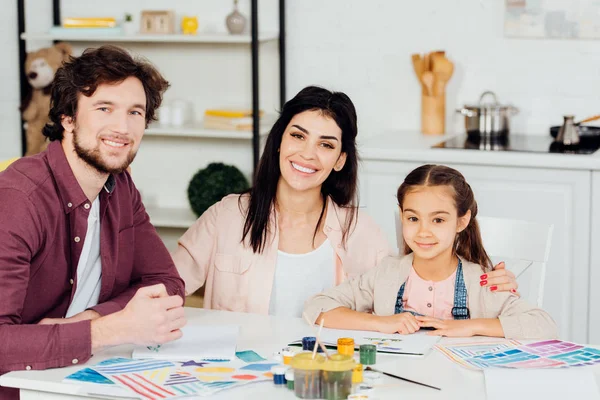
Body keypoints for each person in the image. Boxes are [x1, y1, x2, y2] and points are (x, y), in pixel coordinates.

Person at [174, 87, 518, 317]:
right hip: (240, 375)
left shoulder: (361, 231)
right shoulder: (226, 216)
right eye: (297, 136)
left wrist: (488, 286)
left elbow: (411, 295)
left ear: (340, 159)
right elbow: (166, 284)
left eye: (326, 144)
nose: (307, 154)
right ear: (279, 142)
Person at [0, 45, 186, 398]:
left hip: (75, 381)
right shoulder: (18, 199)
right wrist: (109, 331)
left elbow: (165, 281)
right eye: (104, 108)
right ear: (68, 117)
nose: (123, 126)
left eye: (135, 112)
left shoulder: (120, 187)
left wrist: (89, 322)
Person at [304, 164, 557, 339]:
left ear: (461, 221)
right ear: (402, 217)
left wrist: (471, 327)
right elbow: (317, 307)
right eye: (413, 219)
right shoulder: (387, 274)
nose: (423, 232)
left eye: (438, 220)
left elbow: (543, 325)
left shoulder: (481, 281)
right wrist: (382, 322)